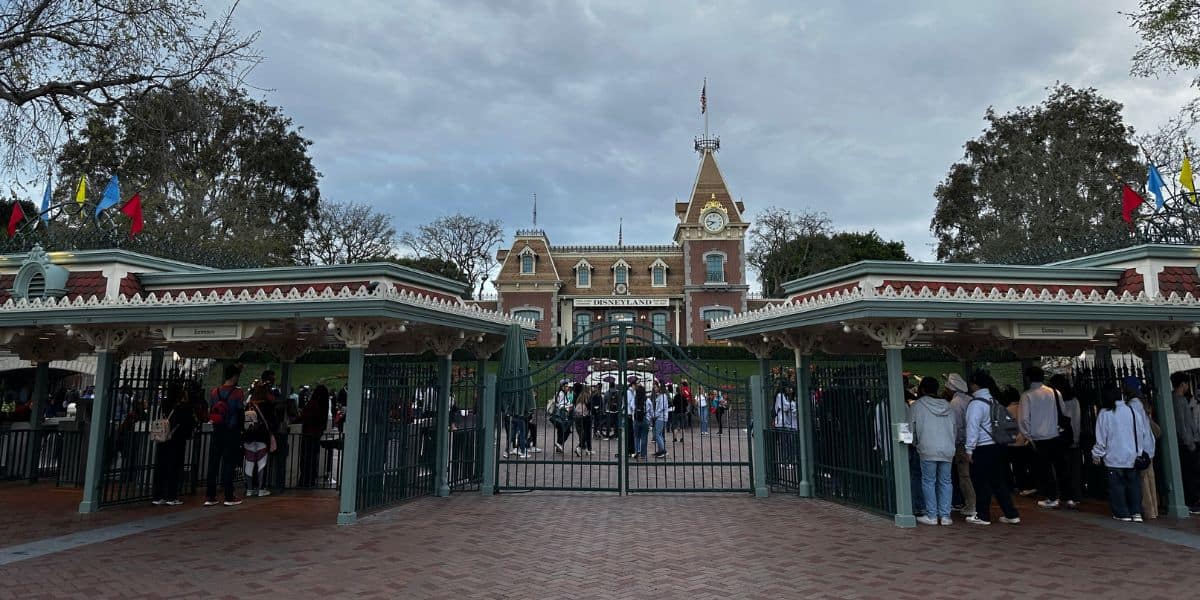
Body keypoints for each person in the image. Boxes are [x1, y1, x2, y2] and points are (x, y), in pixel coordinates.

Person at [964, 370, 1020, 526]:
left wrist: (969, 449)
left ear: (975, 384)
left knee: (981, 482)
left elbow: (972, 428)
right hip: (998, 446)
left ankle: (983, 515)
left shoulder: (976, 404)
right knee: (998, 482)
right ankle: (1011, 513)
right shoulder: (994, 400)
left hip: (982, 448)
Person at [1092, 385, 1155, 522]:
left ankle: (1122, 513)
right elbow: (1141, 433)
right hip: (1133, 456)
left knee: (1117, 487)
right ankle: (1136, 512)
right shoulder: (1132, 411)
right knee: (1134, 485)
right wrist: (1139, 451)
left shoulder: (1105, 413)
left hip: (1113, 457)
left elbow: (1101, 438)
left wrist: (1097, 454)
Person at [1020, 367, 1069, 510]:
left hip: (1038, 438)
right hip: (1055, 435)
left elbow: (1024, 419)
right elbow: (1063, 412)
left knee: (1044, 469)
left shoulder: (1027, 395)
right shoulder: (1055, 392)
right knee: (1061, 468)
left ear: (1028, 378)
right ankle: (1066, 496)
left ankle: (1051, 497)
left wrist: (1027, 436)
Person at [910, 377, 956, 525]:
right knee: (946, 481)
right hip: (948, 448)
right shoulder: (948, 406)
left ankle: (931, 515)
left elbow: (911, 430)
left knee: (928, 481)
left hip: (927, 448)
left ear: (922, 389)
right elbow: (954, 428)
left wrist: (916, 443)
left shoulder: (917, 406)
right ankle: (945, 516)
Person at [205, 364, 245, 507]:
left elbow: (211, 410)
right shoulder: (238, 393)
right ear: (234, 376)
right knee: (229, 463)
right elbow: (240, 412)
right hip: (231, 430)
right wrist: (241, 430)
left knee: (213, 463)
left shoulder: (214, 392)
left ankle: (210, 495)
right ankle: (228, 496)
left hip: (217, 430)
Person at [151, 382, 197, 506]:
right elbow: (189, 423)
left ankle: (158, 495)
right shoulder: (183, 407)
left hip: (163, 438)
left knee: (161, 466)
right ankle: (171, 496)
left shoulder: (165, 404)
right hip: (176, 439)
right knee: (174, 467)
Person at [1047, 373, 1082, 509]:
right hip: (1070, 437)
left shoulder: (1055, 401)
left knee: (1063, 469)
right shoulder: (1073, 401)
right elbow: (1076, 421)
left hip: (1059, 437)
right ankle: (1074, 495)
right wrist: (1076, 438)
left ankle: (1065, 495)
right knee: (1073, 469)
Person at [946, 373, 976, 519]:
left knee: (964, 475)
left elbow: (956, 427)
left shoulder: (955, 403)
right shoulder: (971, 399)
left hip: (962, 444)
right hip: (975, 442)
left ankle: (971, 504)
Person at [1171, 372, 1200, 514]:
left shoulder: (1176, 399)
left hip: (1187, 442)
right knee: (1191, 474)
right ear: (1182, 384)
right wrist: (1190, 443)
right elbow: (1181, 424)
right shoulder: (1179, 400)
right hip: (1188, 444)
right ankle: (1193, 501)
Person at [243, 383, 277, 498]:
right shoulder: (267, 405)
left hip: (248, 437)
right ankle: (261, 489)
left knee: (249, 463)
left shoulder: (249, 404)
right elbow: (273, 422)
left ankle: (249, 489)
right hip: (262, 437)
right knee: (261, 463)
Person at [298, 385, 330, 487]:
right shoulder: (323, 406)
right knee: (313, 458)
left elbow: (304, 416)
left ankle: (304, 480)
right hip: (317, 434)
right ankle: (311, 479)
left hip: (308, 434)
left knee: (306, 458)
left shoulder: (313, 404)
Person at [1142, 401, 1163, 519]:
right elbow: (1158, 432)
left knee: (1144, 483)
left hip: (1144, 453)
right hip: (1151, 452)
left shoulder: (1140, 418)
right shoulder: (1148, 419)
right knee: (1151, 480)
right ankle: (1154, 510)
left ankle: (1149, 511)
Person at [774, 384, 799, 468]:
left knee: (788, 443)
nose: (789, 389)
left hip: (786, 422)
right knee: (785, 443)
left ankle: (788, 460)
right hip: (782, 422)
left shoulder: (785, 396)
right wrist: (791, 404)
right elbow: (785, 407)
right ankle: (784, 461)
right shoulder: (780, 395)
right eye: (788, 387)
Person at [552, 381, 573, 454]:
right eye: (566, 386)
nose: (567, 388)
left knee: (560, 431)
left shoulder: (563, 393)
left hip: (559, 416)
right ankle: (559, 444)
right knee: (567, 431)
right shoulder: (561, 394)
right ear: (562, 387)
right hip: (562, 415)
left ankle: (558, 448)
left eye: (568, 386)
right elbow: (561, 405)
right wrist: (568, 407)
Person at [572, 382, 593, 456]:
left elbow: (574, 404)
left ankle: (584, 448)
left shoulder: (579, 396)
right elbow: (590, 407)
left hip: (578, 416)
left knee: (582, 433)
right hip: (585, 416)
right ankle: (580, 448)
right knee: (585, 433)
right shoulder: (587, 397)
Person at [652, 381, 669, 458]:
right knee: (659, 434)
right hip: (660, 417)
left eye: (655, 387)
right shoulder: (660, 396)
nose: (654, 388)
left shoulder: (662, 396)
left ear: (659, 387)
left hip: (661, 417)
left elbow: (661, 408)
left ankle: (663, 451)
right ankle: (660, 450)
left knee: (657, 434)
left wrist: (655, 415)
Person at [633, 384, 650, 460]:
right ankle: (643, 454)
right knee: (644, 437)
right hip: (644, 419)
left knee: (636, 437)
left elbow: (632, 407)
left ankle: (637, 451)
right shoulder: (647, 400)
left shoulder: (635, 399)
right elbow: (651, 410)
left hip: (636, 419)